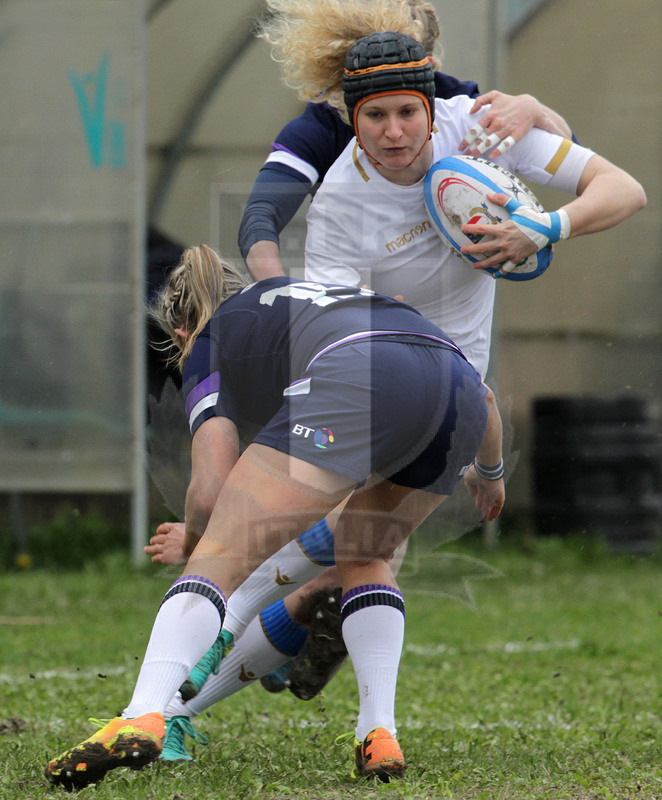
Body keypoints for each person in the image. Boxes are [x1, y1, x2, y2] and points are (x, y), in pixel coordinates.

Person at [44, 244, 506, 788]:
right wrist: (490, 472)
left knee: (218, 556)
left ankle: (144, 713)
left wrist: (198, 539)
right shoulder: (320, 303)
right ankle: (378, 731)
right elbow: (485, 397)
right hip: (457, 395)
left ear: (180, 332)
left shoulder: (209, 341)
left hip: (360, 374)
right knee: (365, 552)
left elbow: (209, 489)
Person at [240, 0, 575, 282]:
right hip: (360, 285)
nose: (395, 131)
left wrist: (533, 108)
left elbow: (572, 155)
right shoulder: (319, 127)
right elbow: (260, 216)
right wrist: (279, 296)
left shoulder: (451, 101)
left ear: (426, 66)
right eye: (375, 113)